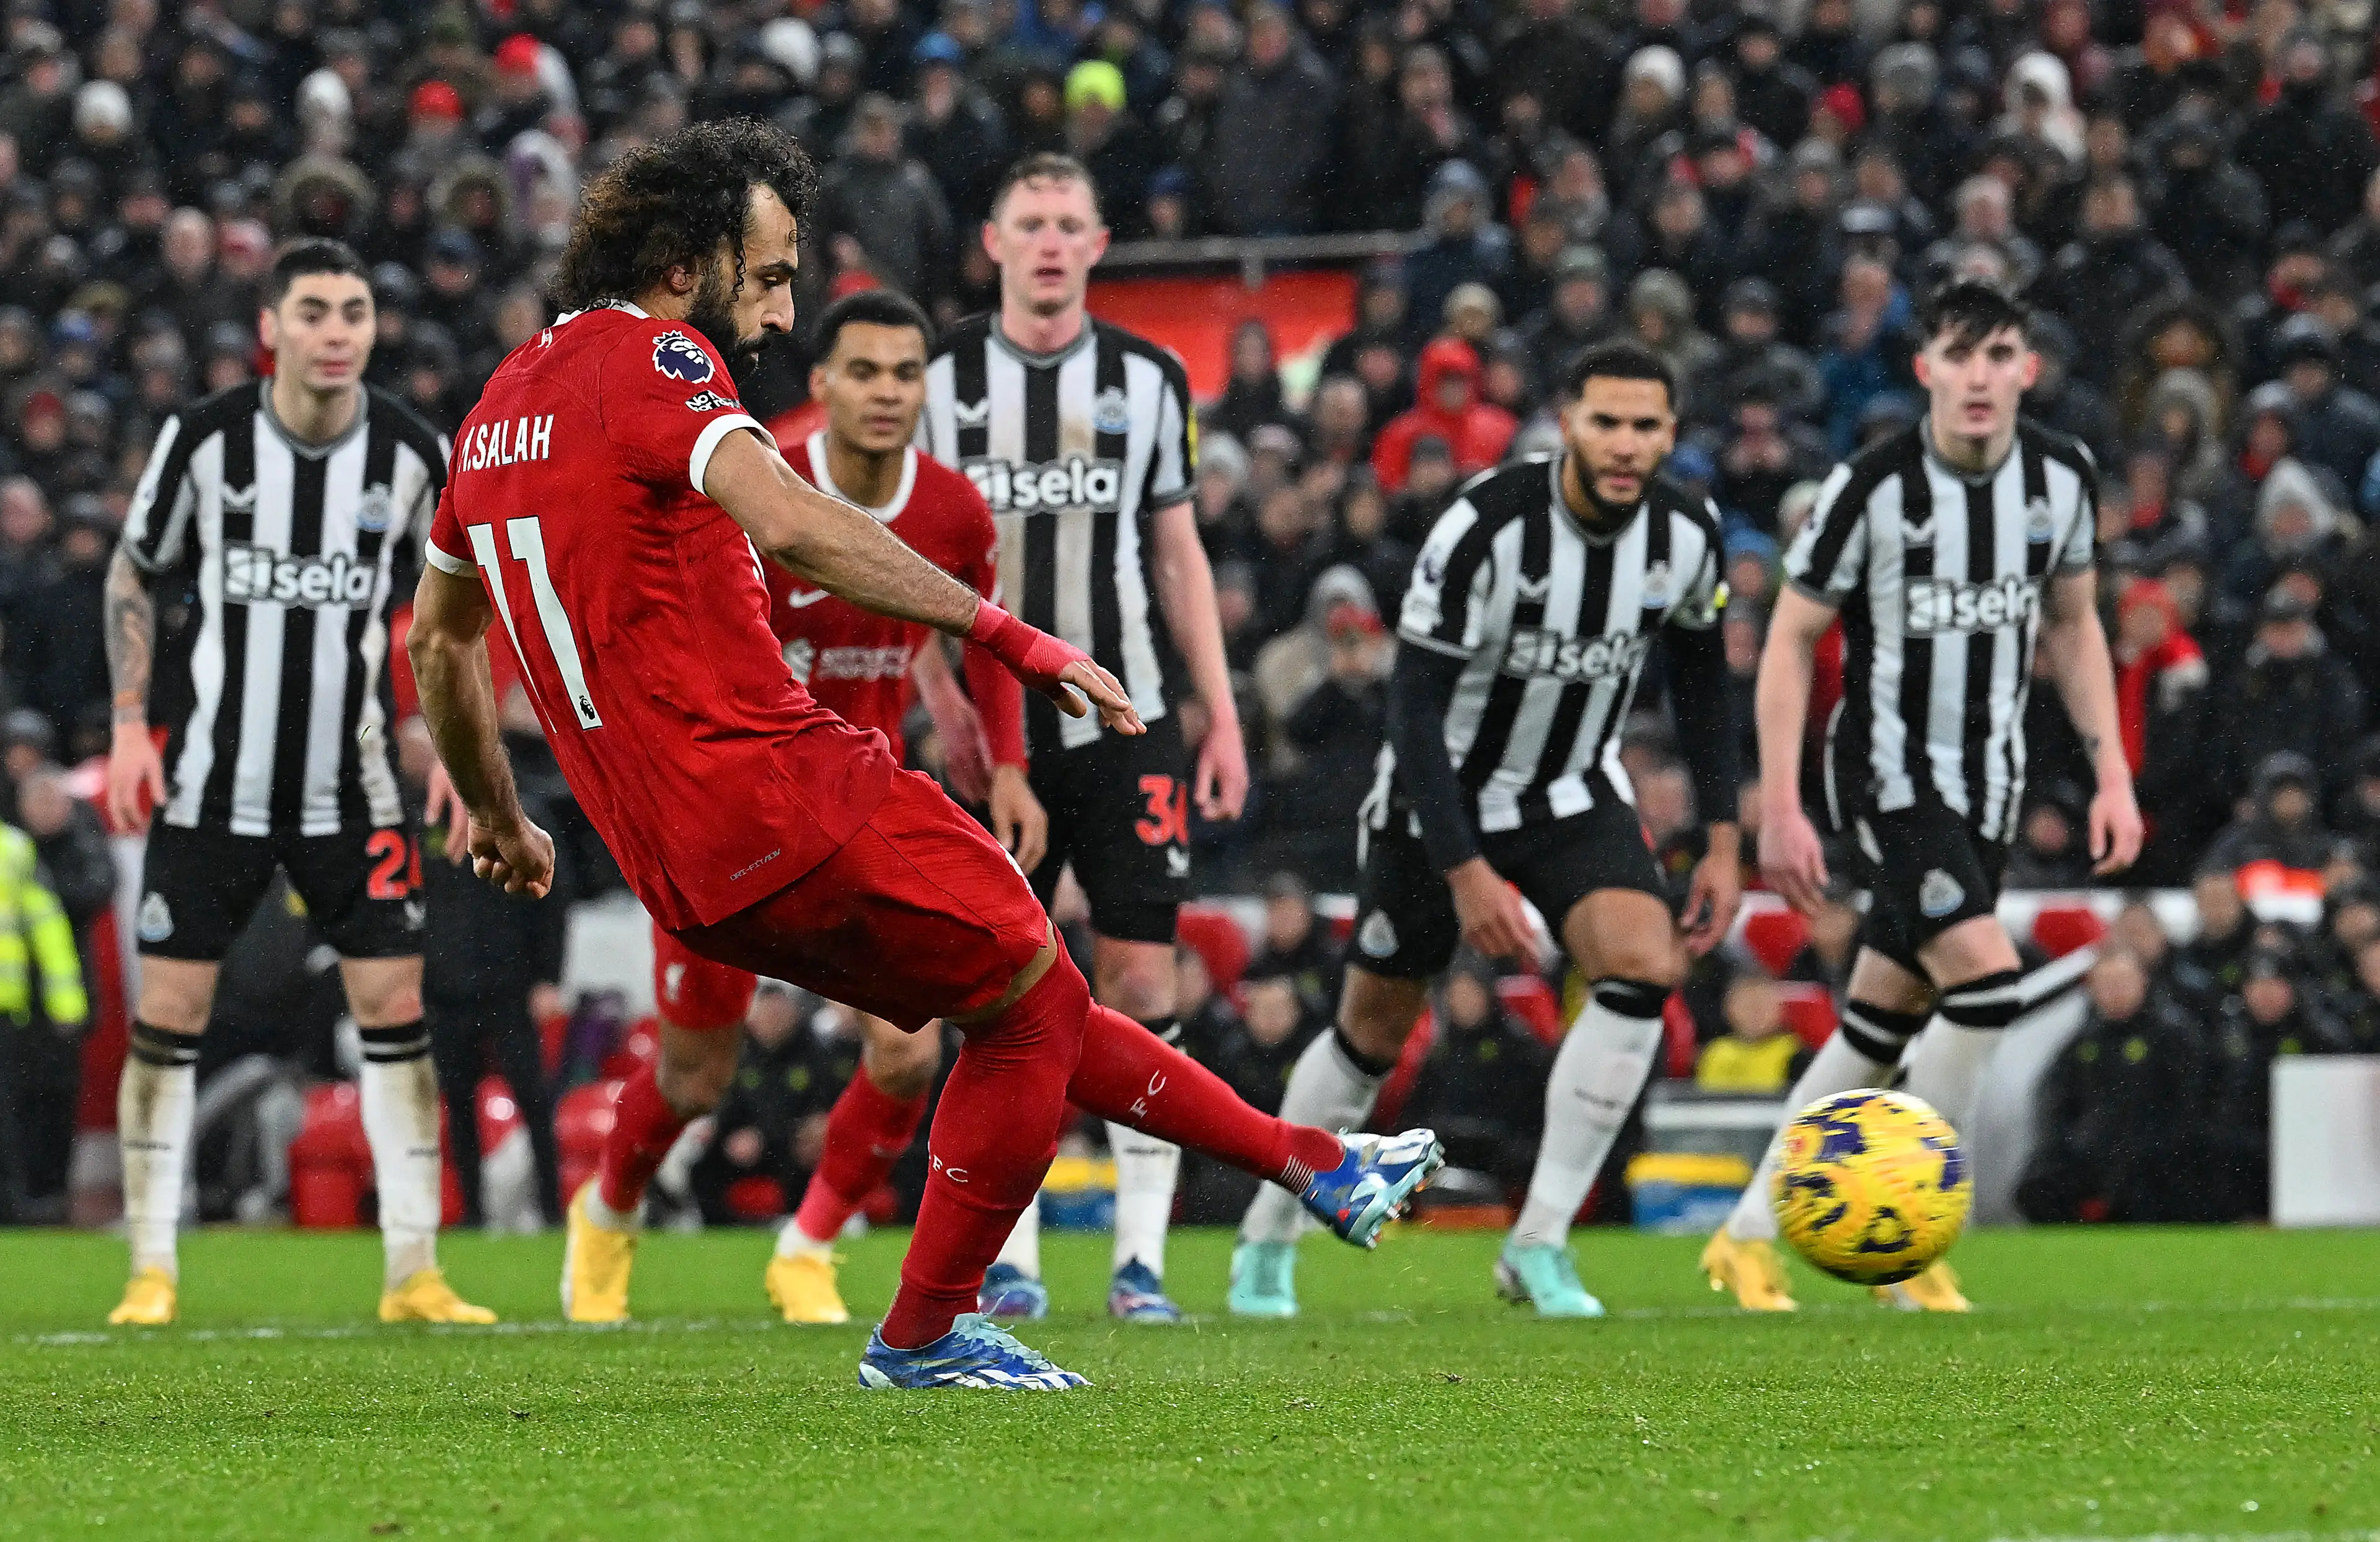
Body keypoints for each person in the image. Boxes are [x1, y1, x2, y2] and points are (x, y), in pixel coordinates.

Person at [407, 119, 1437, 1391]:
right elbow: (788, 520)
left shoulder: (493, 410)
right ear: (684, 262)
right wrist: (1013, 637)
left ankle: (1317, 1163)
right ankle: (926, 1327)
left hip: (674, 865)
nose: (782, 312)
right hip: (785, 784)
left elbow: (436, 646)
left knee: (1021, 997)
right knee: (1033, 1010)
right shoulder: (663, 357)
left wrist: (501, 817)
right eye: (771, 274)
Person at [1229, 340, 1742, 1320]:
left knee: (1643, 966)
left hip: (1570, 790)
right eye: (1607, 422)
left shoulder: (1686, 534)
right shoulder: (1486, 526)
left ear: (1670, 433)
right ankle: (1267, 1236)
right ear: (1568, 421)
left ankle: (1540, 1241)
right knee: (1371, 1034)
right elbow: (1413, 709)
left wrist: (1722, 836)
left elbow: (1705, 685)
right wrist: (1465, 871)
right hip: (1440, 796)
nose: (1626, 444)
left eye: (1647, 425)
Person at [576, 286, 1040, 1328]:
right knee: (697, 1075)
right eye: (862, 372)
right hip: (731, 817)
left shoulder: (954, 511)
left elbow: (974, 634)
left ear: (929, 388)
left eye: (905, 374)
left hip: (857, 815)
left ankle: (810, 1243)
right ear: (822, 383)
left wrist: (1004, 764)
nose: (885, 393)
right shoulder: (756, 478)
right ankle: (606, 1213)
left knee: (911, 1046)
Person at [1705, 281, 2142, 1315]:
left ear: (2027, 371)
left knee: (1875, 1027)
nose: (1982, 377)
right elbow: (1790, 639)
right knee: (1987, 987)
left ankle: (1745, 1236)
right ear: (1927, 371)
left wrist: (2114, 775)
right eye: (1962, 355)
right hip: (1891, 781)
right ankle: (1903, 1240)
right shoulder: (1871, 488)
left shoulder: (2060, 479)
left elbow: (2075, 630)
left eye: (2001, 357)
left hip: (1989, 787)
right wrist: (1780, 803)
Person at [101, 239, 490, 1327]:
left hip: (353, 787)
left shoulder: (417, 457)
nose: (335, 332)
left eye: (354, 312)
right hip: (212, 788)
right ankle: (151, 1265)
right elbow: (136, 568)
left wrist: (460, 754)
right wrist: (132, 724)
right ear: (271, 327)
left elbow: (460, 615)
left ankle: (413, 1268)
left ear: (374, 329)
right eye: (313, 311)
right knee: (170, 1013)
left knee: (396, 1005)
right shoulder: (207, 439)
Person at [919, 152, 1250, 1324]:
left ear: (1100, 244)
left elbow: (1178, 553)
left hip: (1130, 716)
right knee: (1002, 990)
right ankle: (1006, 1259)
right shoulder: (938, 380)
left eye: (1070, 224)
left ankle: (1140, 1262)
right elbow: (900, 560)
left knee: (1142, 974)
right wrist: (948, 704)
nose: (1052, 242)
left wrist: (1220, 711)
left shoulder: (1153, 378)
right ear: (995, 243)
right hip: (992, 730)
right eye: (1031, 223)